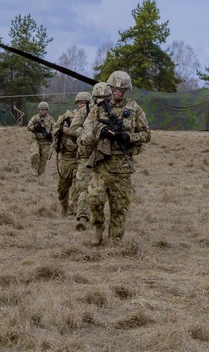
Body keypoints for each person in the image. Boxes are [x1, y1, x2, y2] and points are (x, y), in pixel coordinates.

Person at [79, 71, 151, 246]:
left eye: (122, 88)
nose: (118, 91)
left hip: (122, 166)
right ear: (110, 88)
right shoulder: (99, 107)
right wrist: (100, 131)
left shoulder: (134, 109)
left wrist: (128, 137)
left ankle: (115, 240)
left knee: (119, 207)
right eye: (115, 88)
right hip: (101, 162)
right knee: (94, 198)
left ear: (127, 90)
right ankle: (97, 228)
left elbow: (146, 135)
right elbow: (86, 130)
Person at [70, 83, 108, 231]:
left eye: (103, 96)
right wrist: (86, 134)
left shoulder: (109, 111)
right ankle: (83, 218)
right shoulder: (85, 111)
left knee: (100, 191)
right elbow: (73, 128)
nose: (100, 99)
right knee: (84, 187)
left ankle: (97, 218)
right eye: (98, 96)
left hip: (105, 156)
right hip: (86, 155)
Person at [51, 91, 91, 217]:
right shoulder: (67, 116)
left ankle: (74, 214)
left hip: (82, 158)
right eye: (80, 102)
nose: (82, 104)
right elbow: (54, 129)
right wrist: (64, 130)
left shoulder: (92, 118)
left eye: (85, 102)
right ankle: (64, 206)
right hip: (66, 157)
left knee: (78, 187)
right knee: (62, 189)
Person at [26, 101, 54, 176]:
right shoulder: (35, 118)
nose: (43, 111)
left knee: (44, 158)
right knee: (35, 154)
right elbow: (28, 127)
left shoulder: (50, 119)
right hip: (36, 140)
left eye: (45, 110)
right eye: (41, 109)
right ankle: (34, 169)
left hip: (46, 142)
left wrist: (50, 134)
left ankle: (40, 173)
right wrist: (35, 128)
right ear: (39, 110)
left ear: (47, 110)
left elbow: (55, 129)